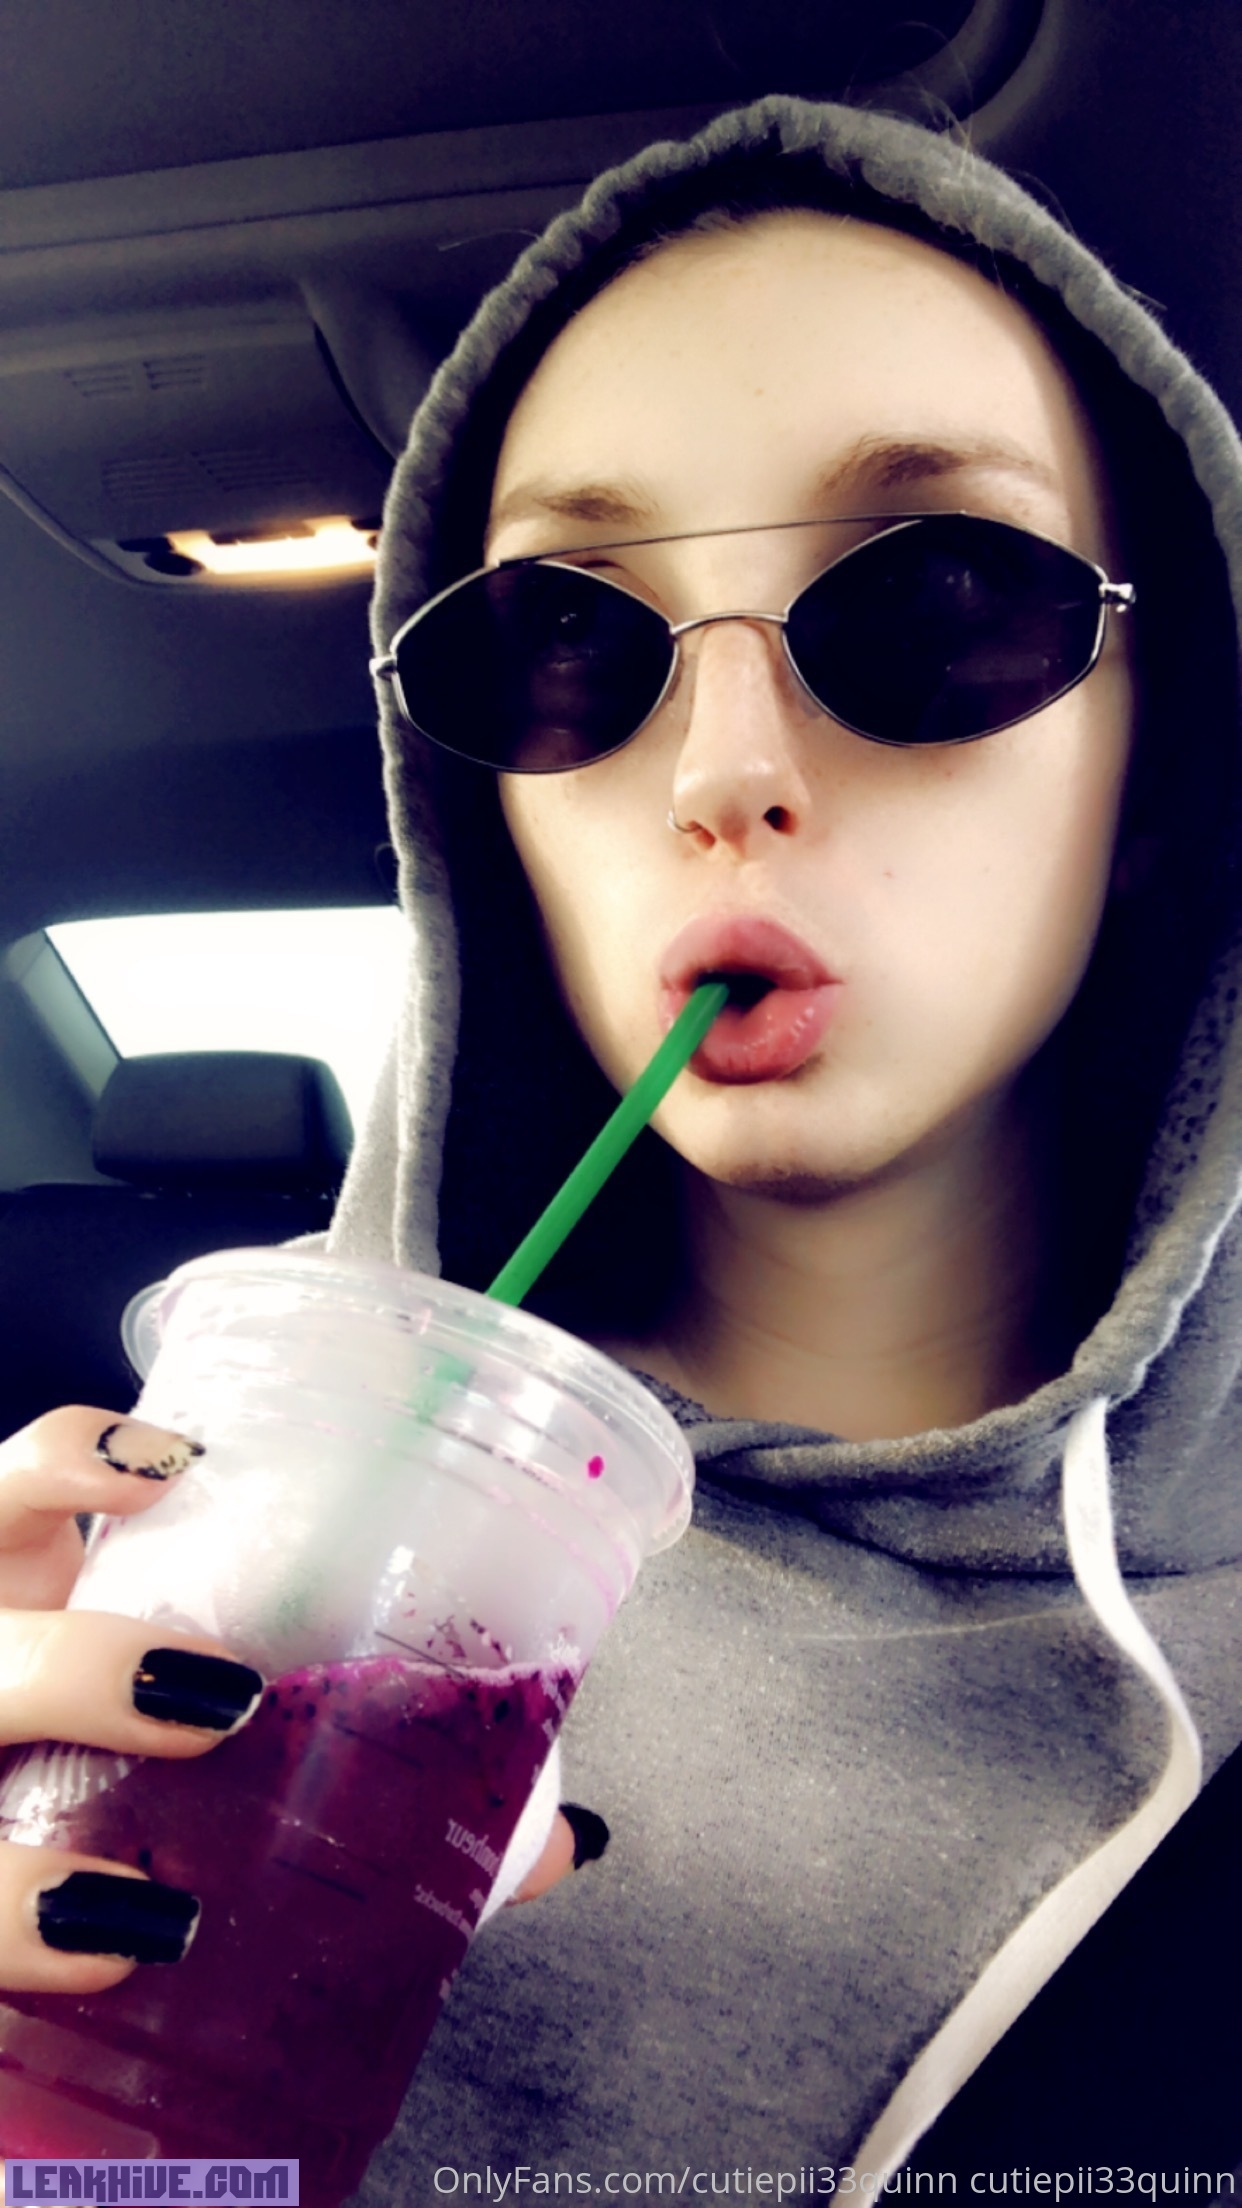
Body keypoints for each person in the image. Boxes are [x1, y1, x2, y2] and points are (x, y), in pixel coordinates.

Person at [2, 92, 1242, 2186]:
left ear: (1164, 756)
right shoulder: (198, 1535)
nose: (721, 771)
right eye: (566, 635)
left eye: (940, 595)